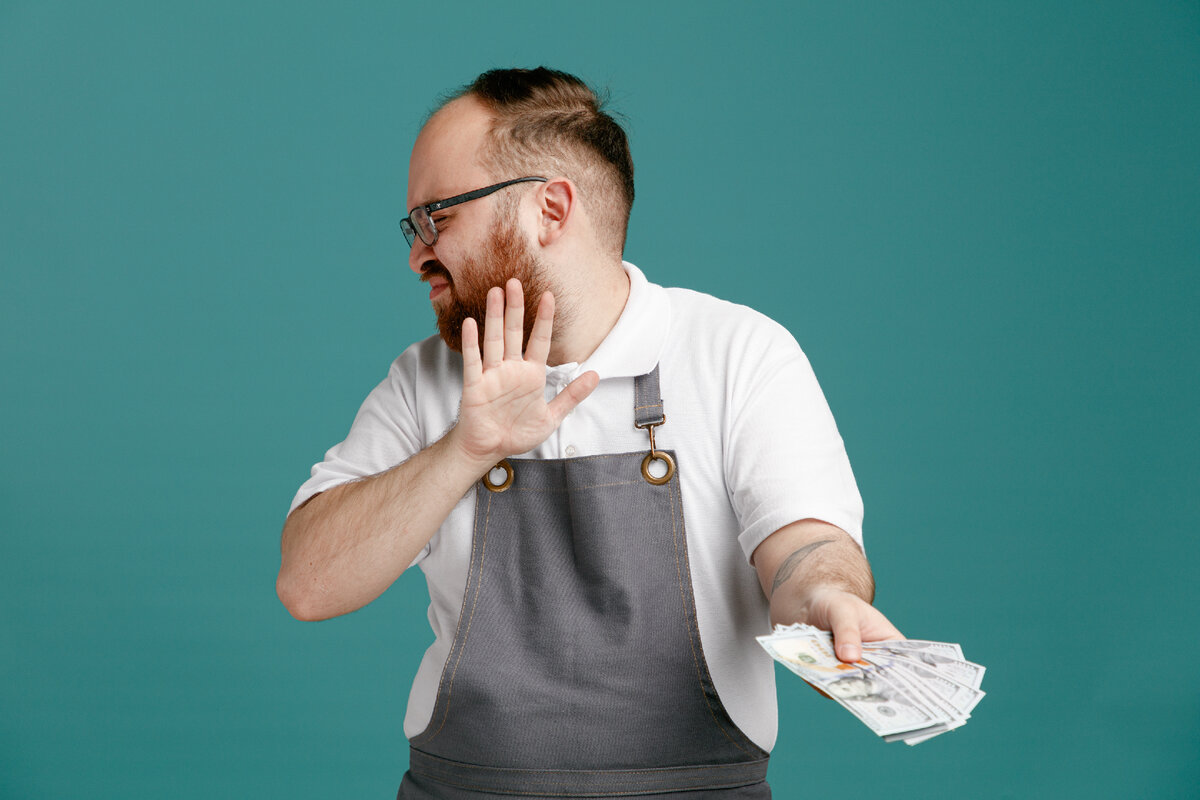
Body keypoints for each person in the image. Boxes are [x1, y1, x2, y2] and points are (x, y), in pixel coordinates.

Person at [277, 67, 902, 799]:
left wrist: (830, 600)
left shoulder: (737, 352)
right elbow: (307, 584)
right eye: (413, 226)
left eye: (437, 216)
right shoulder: (427, 379)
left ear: (550, 209)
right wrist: (466, 449)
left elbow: (803, 547)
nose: (417, 252)